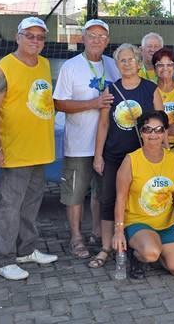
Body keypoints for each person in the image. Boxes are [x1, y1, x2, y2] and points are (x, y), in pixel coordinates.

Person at [0, 17, 58, 280]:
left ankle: (25, 249)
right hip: (15, 151)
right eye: (30, 35)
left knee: (31, 203)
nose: (35, 41)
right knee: (10, 206)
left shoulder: (45, 64)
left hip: (39, 149)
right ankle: (2, 259)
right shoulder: (3, 69)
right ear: (18, 37)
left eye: (40, 37)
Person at [92, 43, 163, 269]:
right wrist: (98, 156)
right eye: (122, 60)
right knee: (108, 199)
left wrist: (164, 154)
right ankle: (106, 247)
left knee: (140, 200)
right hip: (114, 155)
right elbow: (103, 125)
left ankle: (135, 244)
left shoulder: (151, 89)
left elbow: (161, 125)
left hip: (143, 157)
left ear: (139, 62)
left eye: (130, 59)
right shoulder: (110, 91)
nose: (127, 64)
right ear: (117, 64)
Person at [53, 19, 119, 260]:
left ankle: (97, 234)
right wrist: (93, 104)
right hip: (79, 144)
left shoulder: (113, 65)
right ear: (82, 38)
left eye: (102, 36)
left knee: (102, 193)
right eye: (92, 36)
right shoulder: (71, 67)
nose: (97, 40)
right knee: (75, 194)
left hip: (108, 144)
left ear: (108, 41)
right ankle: (76, 238)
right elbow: (59, 103)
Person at [112, 110, 174, 279]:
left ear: (165, 133)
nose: (153, 134)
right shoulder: (131, 160)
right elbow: (120, 198)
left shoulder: (173, 159)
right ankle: (137, 255)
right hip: (139, 223)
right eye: (148, 129)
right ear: (141, 133)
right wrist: (118, 230)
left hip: (166, 223)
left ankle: (160, 251)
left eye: (159, 130)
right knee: (150, 252)